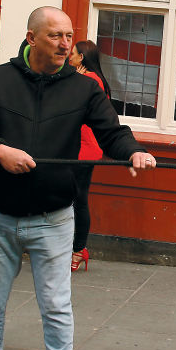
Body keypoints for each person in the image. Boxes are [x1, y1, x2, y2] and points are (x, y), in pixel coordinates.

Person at [0, 7, 157, 350]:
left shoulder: (84, 88)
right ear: (31, 38)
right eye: (55, 36)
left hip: (54, 218)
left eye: (68, 36)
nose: (65, 44)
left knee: (56, 306)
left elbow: (112, 133)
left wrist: (133, 151)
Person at [68, 40, 112, 272]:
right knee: (75, 199)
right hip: (81, 148)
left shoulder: (90, 81)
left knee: (78, 199)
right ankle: (75, 248)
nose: (69, 57)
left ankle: (78, 249)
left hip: (84, 149)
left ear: (82, 57)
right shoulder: (88, 78)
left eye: (73, 54)